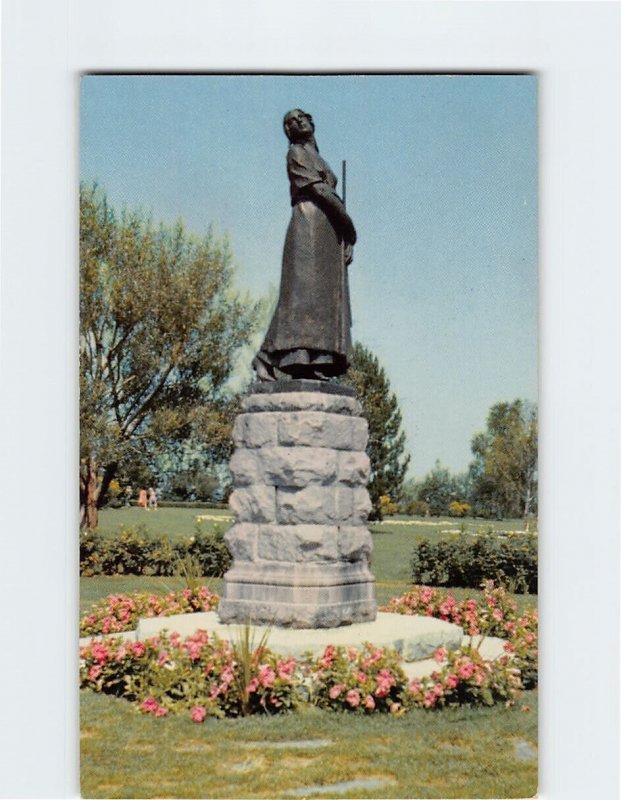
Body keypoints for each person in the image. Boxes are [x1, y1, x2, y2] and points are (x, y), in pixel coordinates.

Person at [252, 109, 357, 381]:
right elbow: (319, 190)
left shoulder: (319, 157)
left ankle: (315, 361)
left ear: (312, 121)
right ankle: (266, 356)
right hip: (308, 226)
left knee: (322, 299)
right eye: (289, 122)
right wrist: (349, 226)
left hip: (327, 232)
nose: (296, 123)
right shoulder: (296, 154)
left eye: (301, 117)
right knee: (301, 297)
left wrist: (343, 235)